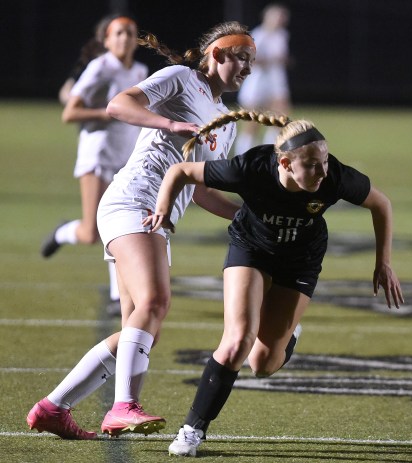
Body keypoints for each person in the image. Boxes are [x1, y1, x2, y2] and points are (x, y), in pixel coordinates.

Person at [27, 21, 260, 440]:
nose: (247, 68)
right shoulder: (182, 79)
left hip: (154, 218)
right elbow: (118, 105)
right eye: (242, 58)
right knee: (154, 302)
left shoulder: (226, 123)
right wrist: (169, 125)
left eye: (252, 61)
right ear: (218, 54)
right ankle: (123, 406)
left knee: (139, 322)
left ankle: (52, 407)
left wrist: (250, 214)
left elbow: (202, 191)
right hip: (132, 201)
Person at [142, 116, 404, 457]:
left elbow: (381, 204)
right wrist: (163, 208)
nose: (323, 172)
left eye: (324, 162)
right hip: (251, 247)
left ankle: (289, 335)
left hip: (301, 259)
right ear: (284, 163)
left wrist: (383, 262)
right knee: (237, 341)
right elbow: (181, 172)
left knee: (262, 364)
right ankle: (192, 429)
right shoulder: (250, 169)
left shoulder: (334, 176)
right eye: (313, 165)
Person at [41, 15, 148, 316]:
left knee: (118, 227)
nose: (125, 39)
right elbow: (69, 113)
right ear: (107, 40)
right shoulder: (99, 68)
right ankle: (64, 231)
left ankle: (118, 296)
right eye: (119, 33)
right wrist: (110, 112)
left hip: (125, 160)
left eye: (130, 33)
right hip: (97, 156)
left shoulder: (140, 70)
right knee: (91, 234)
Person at [234, 3, 292, 155]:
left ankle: (270, 152)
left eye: (282, 18)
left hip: (276, 81)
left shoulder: (282, 35)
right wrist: (270, 60)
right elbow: (250, 59)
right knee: (253, 122)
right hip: (257, 83)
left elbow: (281, 58)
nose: (280, 21)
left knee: (280, 118)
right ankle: (243, 154)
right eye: (278, 17)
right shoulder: (258, 35)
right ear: (268, 18)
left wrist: (282, 60)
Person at [57, 16, 108, 105]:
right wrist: (73, 102)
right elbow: (66, 90)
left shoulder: (134, 65)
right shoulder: (91, 59)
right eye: (102, 34)